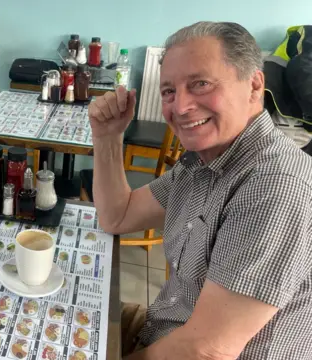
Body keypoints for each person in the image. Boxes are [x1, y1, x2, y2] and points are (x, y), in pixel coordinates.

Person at [89, 21, 312, 359]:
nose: (180, 107)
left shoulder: (274, 184)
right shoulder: (204, 161)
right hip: (164, 329)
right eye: (169, 92)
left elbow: (207, 350)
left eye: (201, 84)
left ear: (254, 85)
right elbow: (117, 216)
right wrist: (107, 137)